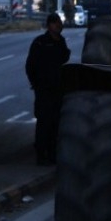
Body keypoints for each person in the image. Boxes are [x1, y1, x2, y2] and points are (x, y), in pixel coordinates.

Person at [25, 12, 70, 165]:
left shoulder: (61, 42)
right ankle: (41, 153)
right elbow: (30, 65)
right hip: (44, 89)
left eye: (59, 23)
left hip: (58, 88)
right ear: (49, 25)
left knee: (56, 122)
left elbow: (64, 58)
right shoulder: (40, 43)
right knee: (44, 121)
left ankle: (52, 153)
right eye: (55, 23)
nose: (59, 26)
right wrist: (36, 83)